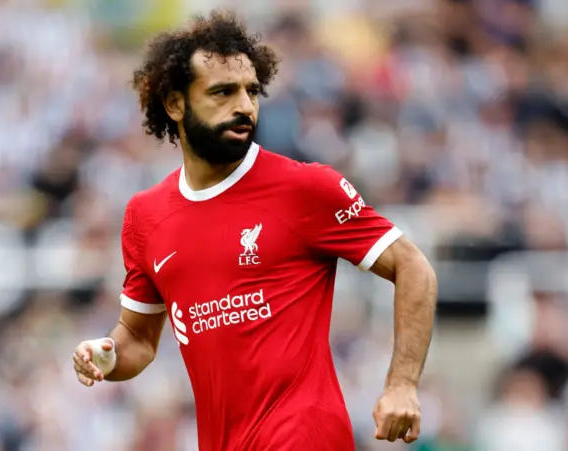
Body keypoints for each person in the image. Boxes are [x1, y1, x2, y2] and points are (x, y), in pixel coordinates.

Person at [72, 11, 437, 451]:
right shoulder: (145, 216)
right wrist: (107, 355)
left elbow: (413, 266)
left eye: (251, 91)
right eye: (222, 92)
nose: (244, 106)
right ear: (175, 104)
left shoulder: (304, 188)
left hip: (305, 437)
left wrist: (402, 383)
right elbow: (138, 339)